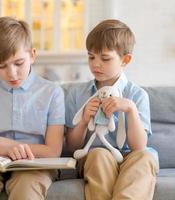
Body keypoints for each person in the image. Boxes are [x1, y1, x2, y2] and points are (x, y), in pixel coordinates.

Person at [0, 16, 65, 200]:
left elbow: (52, 151)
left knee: (26, 187)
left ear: (32, 55)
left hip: (35, 164)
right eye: (2, 66)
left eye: (18, 63)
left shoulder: (52, 92)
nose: (12, 73)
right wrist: (4, 150)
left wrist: (4, 144)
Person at [65, 19, 159, 200]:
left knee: (145, 158)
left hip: (129, 156)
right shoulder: (78, 94)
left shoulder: (137, 95)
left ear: (125, 60)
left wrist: (130, 110)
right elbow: (72, 146)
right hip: (94, 156)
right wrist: (84, 120)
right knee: (99, 154)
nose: (96, 64)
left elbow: (139, 147)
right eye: (91, 57)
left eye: (105, 58)